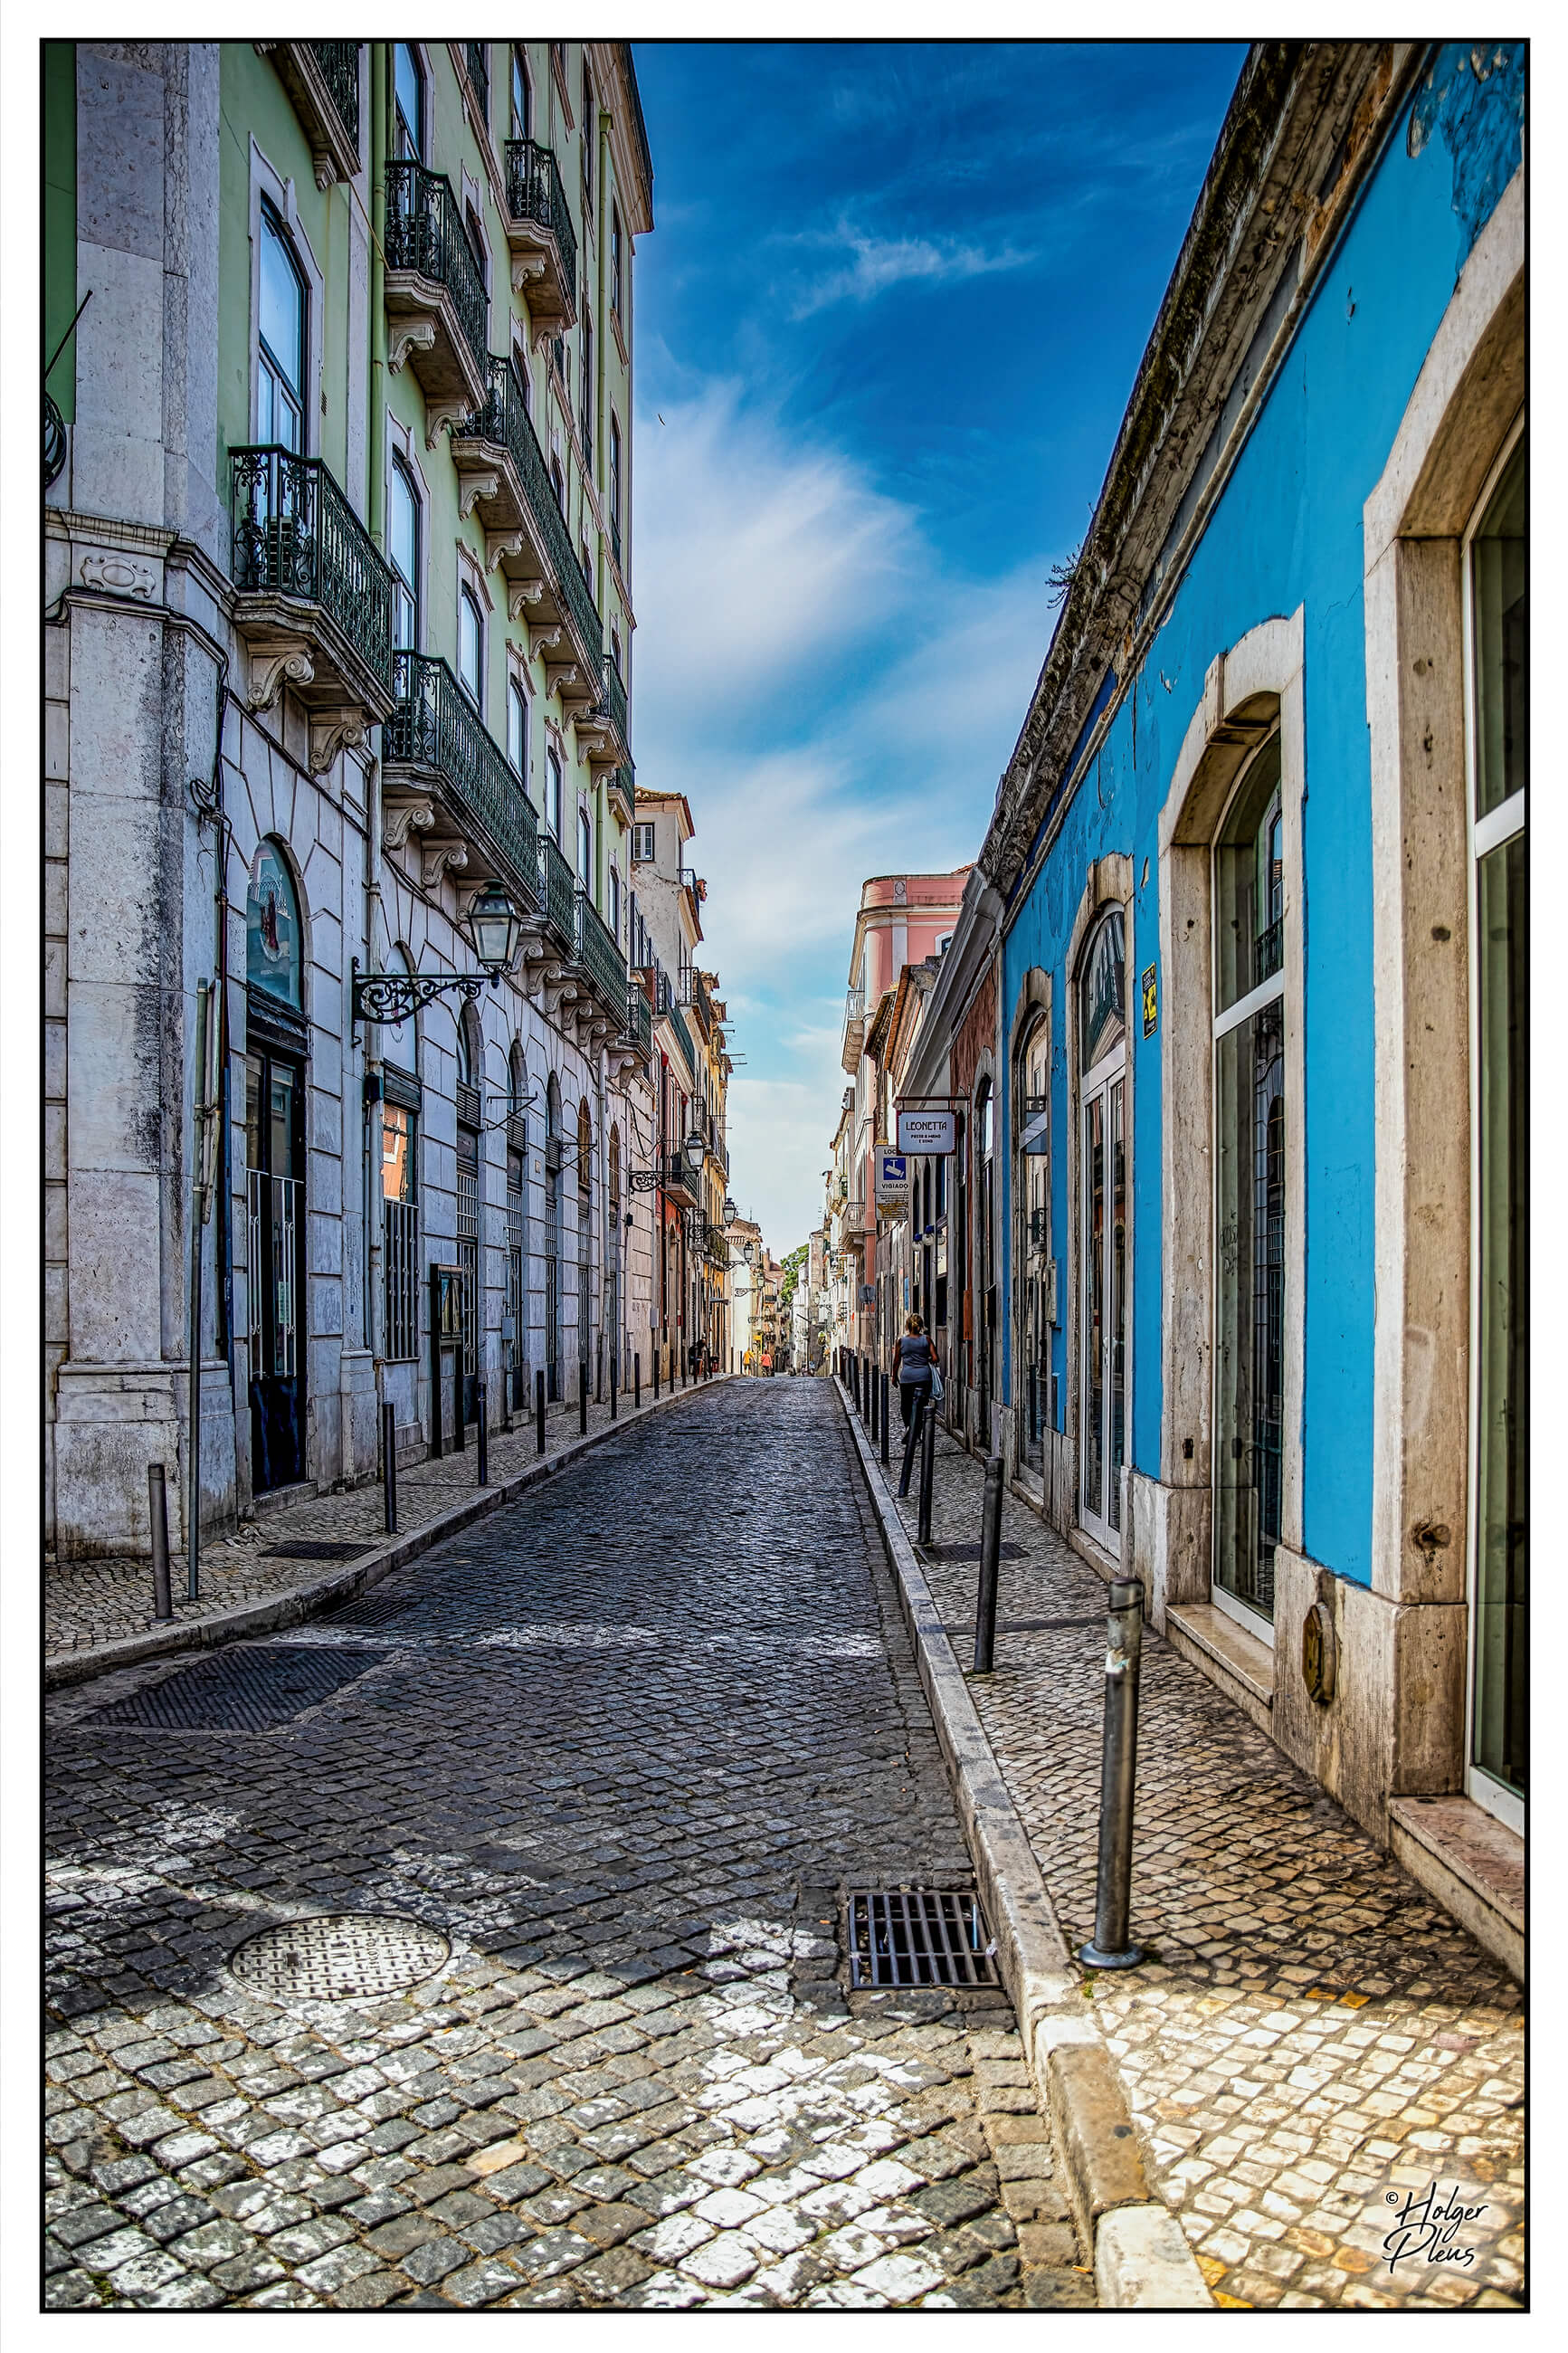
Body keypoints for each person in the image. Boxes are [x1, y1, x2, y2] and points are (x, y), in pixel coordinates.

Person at [891, 1311, 934, 1432]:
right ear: (921, 1326)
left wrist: (894, 1377)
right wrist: (926, 1358)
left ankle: (908, 1427)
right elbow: (936, 1358)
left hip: (907, 1378)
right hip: (924, 1378)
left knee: (906, 1405)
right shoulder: (927, 1339)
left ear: (908, 1326)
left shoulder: (901, 1341)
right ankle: (918, 1432)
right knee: (921, 1405)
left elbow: (896, 1361)